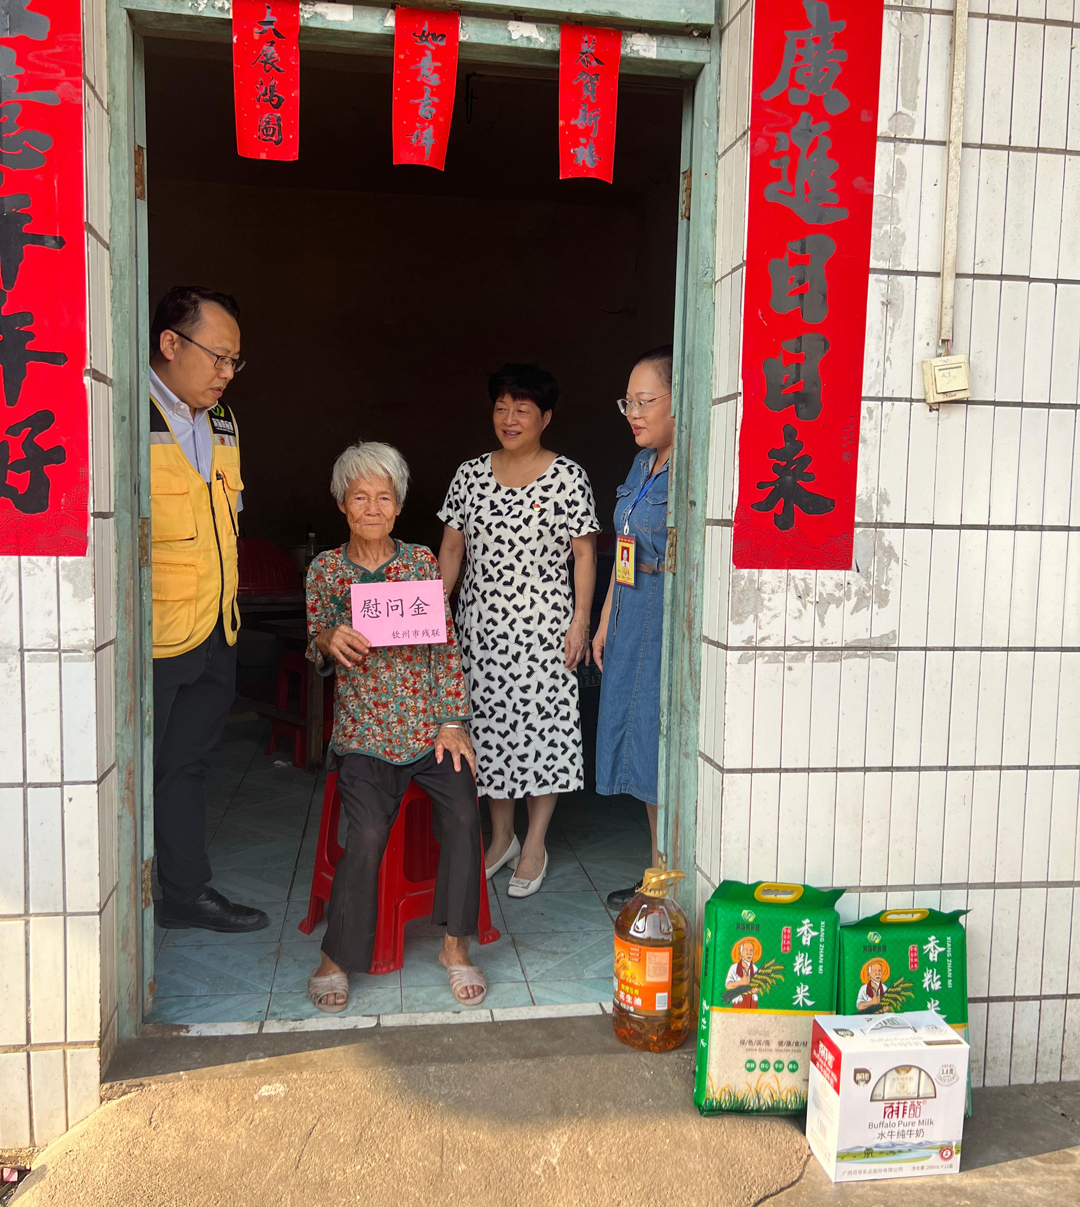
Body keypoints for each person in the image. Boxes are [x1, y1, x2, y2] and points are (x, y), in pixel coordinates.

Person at [305, 441, 486, 1012]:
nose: (373, 508)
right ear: (342, 503)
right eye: (360, 497)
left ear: (399, 505)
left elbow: (445, 650)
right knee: (365, 833)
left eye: (384, 497)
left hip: (428, 732)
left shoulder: (419, 563)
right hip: (364, 736)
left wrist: (452, 721)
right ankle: (337, 958)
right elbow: (315, 645)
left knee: (464, 812)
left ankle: (455, 946)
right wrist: (327, 639)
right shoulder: (326, 571)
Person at [438, 364, 599, 898]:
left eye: (522, 410)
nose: (509, 419)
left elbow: (584, 554)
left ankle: (534, 844)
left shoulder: (568, 477)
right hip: (480, 630)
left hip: (545, 631)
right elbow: (452, 549)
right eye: (501, 407)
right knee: (487, 733)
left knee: (542, 733)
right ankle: (502, 836)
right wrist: (436, 612)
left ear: (545, 417)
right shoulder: (469, 474)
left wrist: (581, 622)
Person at [150, 285, 269, 934]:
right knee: (133, 772)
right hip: (152, 637)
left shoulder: (223, 422)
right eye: (218, 357)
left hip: (215, 629)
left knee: (188, 766)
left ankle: (184, 892)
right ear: (170, 343)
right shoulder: (126, 416)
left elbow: (228, 522)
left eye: (234, 361)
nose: (227, 372)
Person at [592, 346, 674, 912]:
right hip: (629, 613)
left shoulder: (691, 467)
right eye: (628, 403)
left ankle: (669, 878)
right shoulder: (642, 464)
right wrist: (604, 621)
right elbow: (624, 548)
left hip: (663, 622)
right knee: (642, 746)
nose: (634, 415)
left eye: (645, 402)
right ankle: (658, 872)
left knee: (659, 745)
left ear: (678, 401)